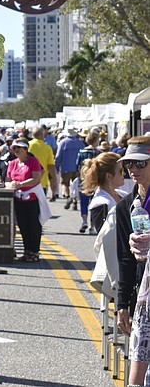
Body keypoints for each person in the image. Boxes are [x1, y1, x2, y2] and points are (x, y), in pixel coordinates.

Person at [115, 137, 150, 387]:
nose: (133, 170)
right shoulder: (125, 207)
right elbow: (124, 260)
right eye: (128, 164)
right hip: (143, 299)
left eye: (140, 163)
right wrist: (122, 303)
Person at [5, 139, 46, 262]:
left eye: (19, 148)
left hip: (32, 197)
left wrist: (21, 184)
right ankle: (26, 251)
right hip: (18, 198)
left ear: (25, 149)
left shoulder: (33, 161)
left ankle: (34, 251)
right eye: (14, 148)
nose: (16, 151)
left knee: (33, 225)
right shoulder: (12, 163)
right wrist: (11, 185)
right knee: (22, 226)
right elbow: (7, 179)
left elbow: (36, 178)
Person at [82, 152, 124, 233]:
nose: (124, 174)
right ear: (109, 176)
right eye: (120, 171)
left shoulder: (122, 194)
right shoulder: (101, 204)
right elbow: (105, 237)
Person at [74, 131, 102, 233]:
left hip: (83, 179)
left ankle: (84, 221)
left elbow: (77, 166)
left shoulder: (81, 152)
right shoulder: (100, 153)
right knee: (94, 203)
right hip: (95, 180)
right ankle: (92, 226)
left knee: (84, 202)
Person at [56, 128, 85, 204]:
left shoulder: (63, 142)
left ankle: (68, 197)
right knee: (76, 185)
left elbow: (58, 156)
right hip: (77, 168)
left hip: (66, 167)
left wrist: (57, 166)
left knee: (65, 184)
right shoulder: (80, 143)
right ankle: (75, 199)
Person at [29, 126, 57, 202]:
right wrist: (54, 181)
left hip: (27, 180)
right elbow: (51, 166)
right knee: (40, 207)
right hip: (42, 181)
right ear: (42, 134)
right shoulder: (47, 148)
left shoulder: (27, 146)